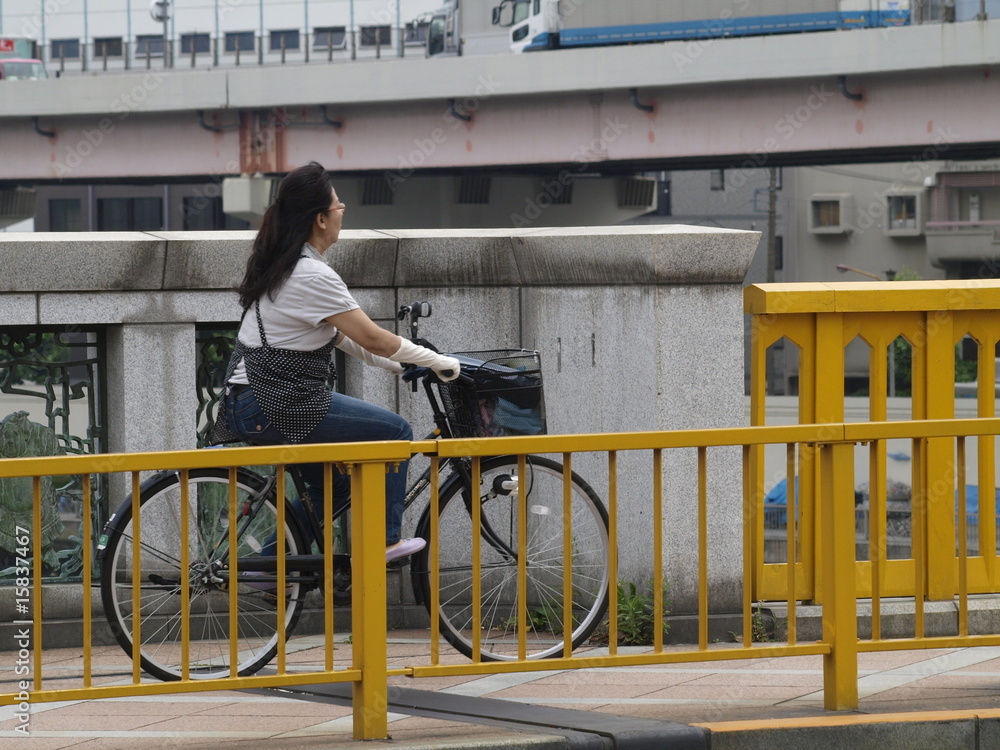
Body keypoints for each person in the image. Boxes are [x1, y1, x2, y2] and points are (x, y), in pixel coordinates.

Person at [211, 161, 459, 563]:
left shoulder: (287, 265)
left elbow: (344, 337)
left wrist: (400, 365)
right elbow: (373, 338)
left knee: (334, 490)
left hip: (251, 400)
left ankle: (265, 567)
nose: (343, 213)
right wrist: (438, 361)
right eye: (339, 206)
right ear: (321, 219)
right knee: (395, 433)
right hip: (276, 403)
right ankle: (384, 542)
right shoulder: (312, 275)